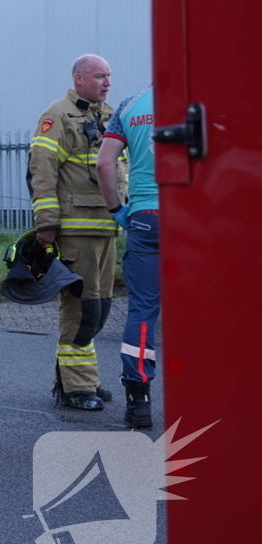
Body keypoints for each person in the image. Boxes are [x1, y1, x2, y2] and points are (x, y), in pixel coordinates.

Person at [28, 54, 117, 410]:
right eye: (99, 76)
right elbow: (42, 172)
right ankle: (74, 387)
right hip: (75, 227)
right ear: (79, 78)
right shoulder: (57, 115)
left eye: (109, 76)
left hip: (107, 227)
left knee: (103, 307)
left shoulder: (108, 115)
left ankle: (85, 378)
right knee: (82, 309)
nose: (107, 82)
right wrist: (47, 224)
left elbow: (119, 170)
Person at [96, 85, 157, 428]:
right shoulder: (205, 99)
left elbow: (105, 165)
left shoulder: (131, 105)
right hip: (195, 219)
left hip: (146, 217)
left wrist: (118, 210)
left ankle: (139, 401)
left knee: (144, 311)